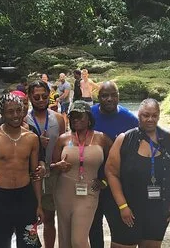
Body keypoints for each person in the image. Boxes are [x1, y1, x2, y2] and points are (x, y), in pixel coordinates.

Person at [105, 98, 170, 248]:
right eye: (146, 115)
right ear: (139, 115)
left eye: (154, 115)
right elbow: (111, 173)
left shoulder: (169, 139)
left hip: (158, 209)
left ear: (159, 116)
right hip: (128, 208)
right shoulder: (125, 139)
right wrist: (122, 205)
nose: (150, 119)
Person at [0, 93, 44, 247]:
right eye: (10, 112)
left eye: (18, 110)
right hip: (1, 199)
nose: (15, 115)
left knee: (29, 244)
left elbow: (35, 174)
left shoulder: (32, 138)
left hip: (26, 198)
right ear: (2, 113)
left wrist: (39, 204)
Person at [51, 101, 110, 248]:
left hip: (89, 193)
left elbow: (115, 163)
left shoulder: (101, 138)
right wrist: (57, 166)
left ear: (89, 118)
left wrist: (105, 181)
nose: (76, 119)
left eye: (80, 116)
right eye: (73, 116)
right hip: (64, 193)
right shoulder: (63, 139)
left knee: (79, 241)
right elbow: (52, 166)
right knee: (65, 241)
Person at [88, 81, 139, 248]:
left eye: (113, 95)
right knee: (93, 227)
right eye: (104, 96)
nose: (109, 99)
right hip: (92, 181)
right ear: (98, 97)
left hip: (117, 183)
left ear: (118, 96)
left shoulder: (130, 119)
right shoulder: (89, 115)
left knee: (119, 225)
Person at [26, 80, 66, 248]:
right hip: (30, 176)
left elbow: (64, 144)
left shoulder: (58, 118)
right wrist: (36, 142)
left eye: (44, 96)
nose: (41, 100)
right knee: (29, 220)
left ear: (49, 95)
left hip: (52, 175)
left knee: (49, 218)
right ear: (29, 97)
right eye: (36, 97)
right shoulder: (24, 119)